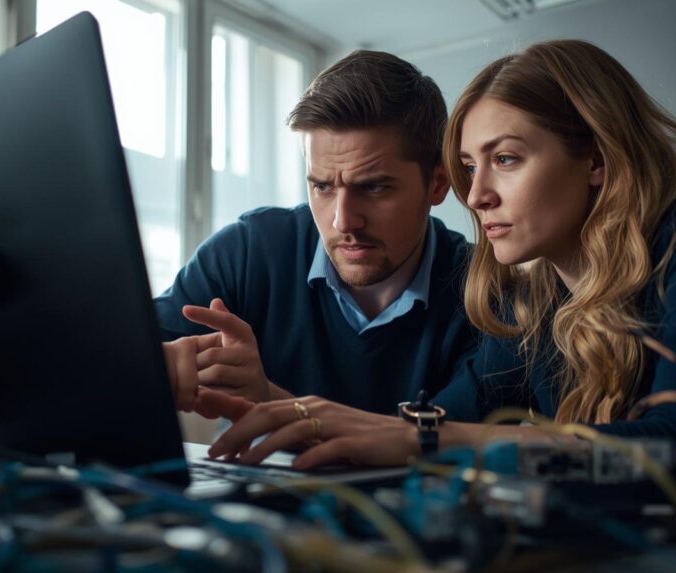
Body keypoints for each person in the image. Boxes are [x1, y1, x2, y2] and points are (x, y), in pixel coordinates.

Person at [192, 39, 676, 468]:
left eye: (505, 159)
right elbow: (414, 432)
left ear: (595, 156)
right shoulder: (534, 299)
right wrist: (277, 402)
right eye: (470, 166)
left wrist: (431, 438)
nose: (476, 195)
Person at [156, 50, 477, 414]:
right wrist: (154, 364)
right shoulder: (250, 250)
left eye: (373, 188)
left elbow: (439, 445)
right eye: (322, 187)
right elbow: (123, 354)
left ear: (437, 185)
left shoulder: (484, 288)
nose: (343, 221)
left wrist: (269, 399)